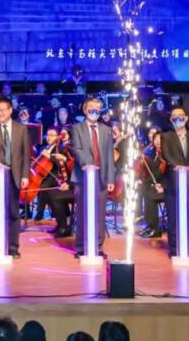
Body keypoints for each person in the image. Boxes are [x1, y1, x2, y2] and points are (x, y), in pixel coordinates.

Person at [0, 97, 31, 258]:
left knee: (13, 213)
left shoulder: (21, 129)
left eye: (2, 110)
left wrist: (25, 175)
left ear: (10, 110)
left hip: (14, 176)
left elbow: (26, 154)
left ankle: (13, 248)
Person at [71, 97, 115, 258]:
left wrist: (111, 178)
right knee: (83, 213)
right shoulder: (76, 128)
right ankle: (81, 247)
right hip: (83, 177)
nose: (95, 111)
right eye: (91, 108)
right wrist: (88, 164)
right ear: (85, 110)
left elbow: (109, 155)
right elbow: (76, 149)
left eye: (98, 109)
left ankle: (98, 246)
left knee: (100, 214)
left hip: (101, 177)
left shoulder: (106, 130)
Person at [160, 107, 189, 258]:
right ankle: (174, 249)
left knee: (188, 218)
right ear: (170, 119)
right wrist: (177, 166)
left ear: (186, 118)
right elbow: (166, 154)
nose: (177, 119)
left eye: (180, 116)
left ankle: (187, 249)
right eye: (174, 116)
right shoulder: (166, 136)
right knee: (173, 218)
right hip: (173, 182)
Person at [36, 127, 74, 236]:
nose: (49, 137)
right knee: (47, 191)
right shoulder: (46, 148)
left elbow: (64, 165)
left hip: (62, 180)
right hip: (51, 177)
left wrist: (51, 157)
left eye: (52, 135)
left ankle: (63, 225)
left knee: (48, 191)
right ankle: (60, 223)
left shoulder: (62, 149)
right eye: (48, 135)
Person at [138, 131, 166, 238]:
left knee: (150, 195)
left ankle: (155, 228)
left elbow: (168, 175)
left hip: (167, 189)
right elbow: (152, 174)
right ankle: (149, 225)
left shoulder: (168, 155)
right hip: (156, 186)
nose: (158, 141)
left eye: (160, 139)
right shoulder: (153, 154)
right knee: (144, 190)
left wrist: (162, 186)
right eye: (155, 139)